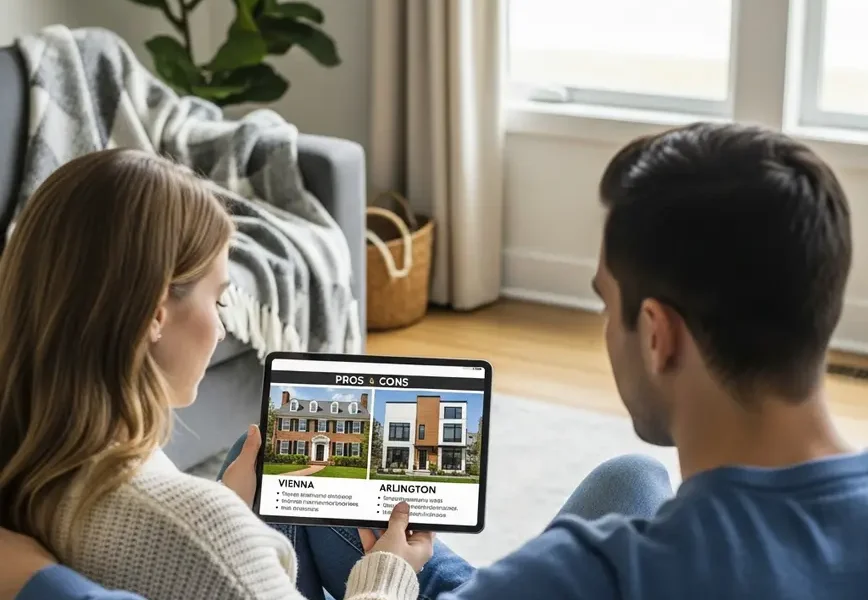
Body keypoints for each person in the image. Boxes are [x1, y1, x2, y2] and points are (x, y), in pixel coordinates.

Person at [6, 121, 868, 598]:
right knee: (630, 481)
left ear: (657, 334)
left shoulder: (585, 575)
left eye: (602, 302)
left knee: (630, 482)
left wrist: (47, 587)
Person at [0, 149, 433, 600]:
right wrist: (390, 573)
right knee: (438, 570)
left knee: (285, 477)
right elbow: (195, 551)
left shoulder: (33, 460)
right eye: (219, 300)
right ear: (155, 313)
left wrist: (229, 503)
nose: (223, 328)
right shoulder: (200, 530)